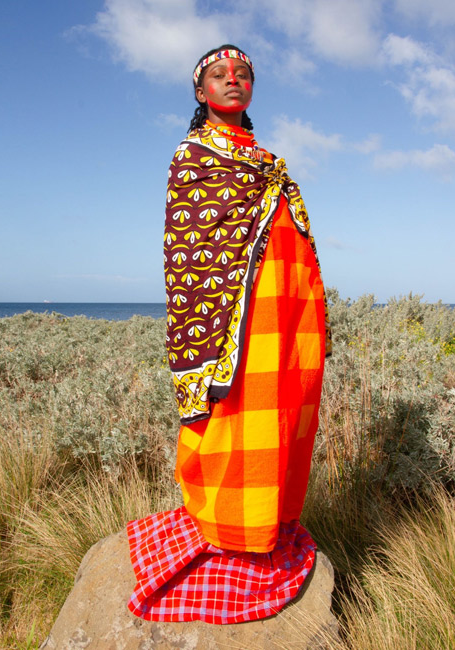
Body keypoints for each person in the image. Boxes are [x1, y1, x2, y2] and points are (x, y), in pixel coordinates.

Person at [126, 44, 331, 624]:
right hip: (229, 319)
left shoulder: (266, 159)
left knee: (282, 410)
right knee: (238, 410)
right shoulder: (194, 155)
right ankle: (228, 531)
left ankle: (271, 522)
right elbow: (190, 246)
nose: (233, 80)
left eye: (242, 74)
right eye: (219, 75)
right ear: (201, 92)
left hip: (284, 309)